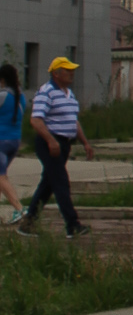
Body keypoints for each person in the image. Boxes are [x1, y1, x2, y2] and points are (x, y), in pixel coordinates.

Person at [15, 55, 93, 239]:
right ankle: (72, 225)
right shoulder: (47, 91)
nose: (72, 74)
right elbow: (36, 120)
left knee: (48, 185)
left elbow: (73, 121)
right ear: (57, 74)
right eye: (68, 70)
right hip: (50, 143)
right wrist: (51, 141)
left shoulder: (69, 94)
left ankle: (28, 222)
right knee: (61, 182)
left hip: (63, 144)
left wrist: (85, 142)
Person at [0, 63, 25, 223]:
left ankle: (20, 209)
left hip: (1, 141)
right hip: (15, 141)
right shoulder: (20, 96)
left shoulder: (2, 95)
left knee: (1, 176)